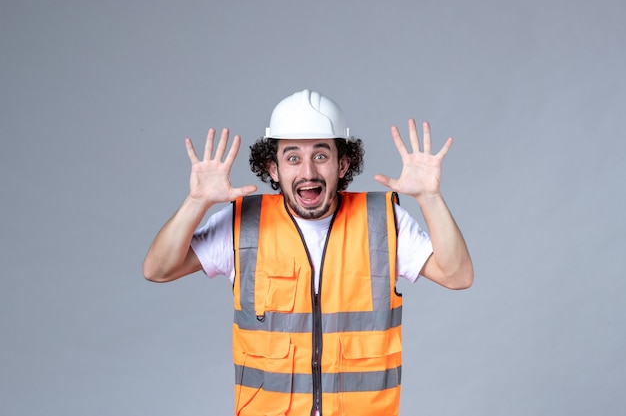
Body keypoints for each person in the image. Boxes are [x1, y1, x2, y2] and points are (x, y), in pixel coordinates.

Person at [143, 89, 473, 416]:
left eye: (320, 155)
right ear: (273, 169)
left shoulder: (383, 222)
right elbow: (158, 269)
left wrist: (430, 198)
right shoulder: (244, 223)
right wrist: (196, 202)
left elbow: (457, 276)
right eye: (292, 157)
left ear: (342, 164)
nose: (308, 172)